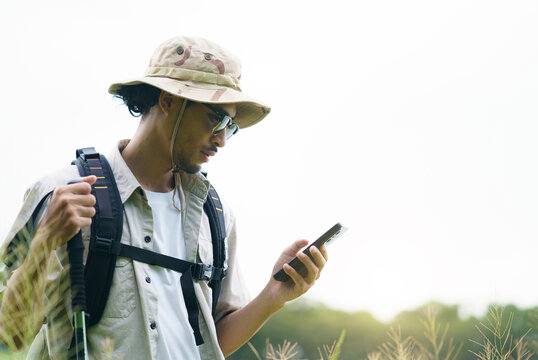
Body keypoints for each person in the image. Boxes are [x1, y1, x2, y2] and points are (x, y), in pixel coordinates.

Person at [0, 36, 328, 359]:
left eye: (230, 125)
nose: (222, 139)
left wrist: (274, 294)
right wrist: (46, 240)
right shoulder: (64, 192)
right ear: (169, 101)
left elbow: (210, 344)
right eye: (215, 117)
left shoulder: (214, 213)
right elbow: (8, 334)